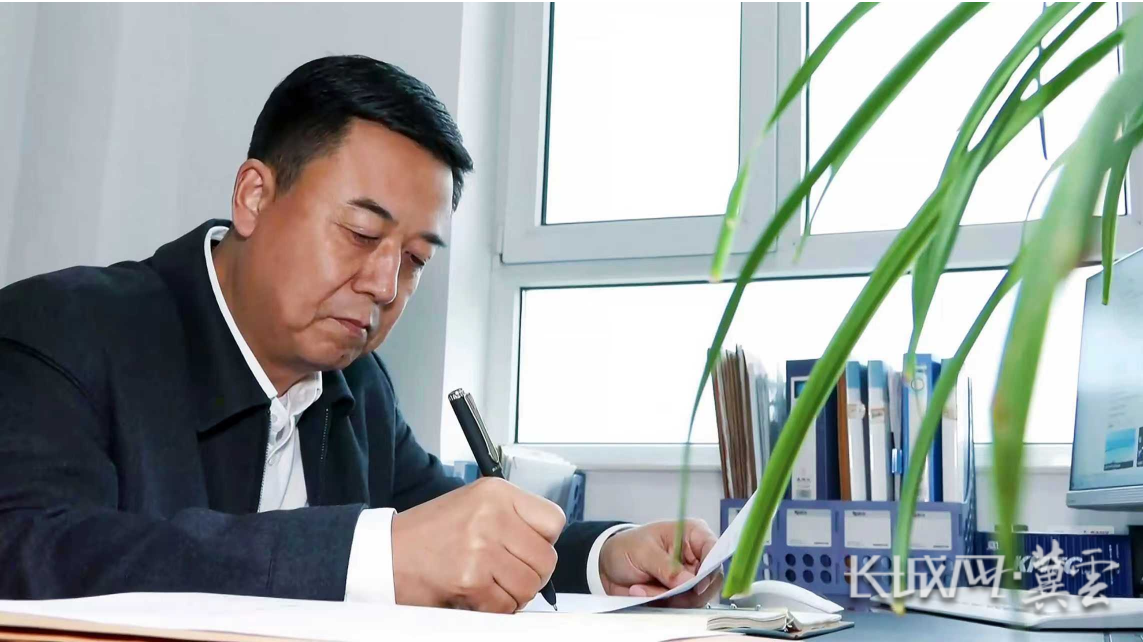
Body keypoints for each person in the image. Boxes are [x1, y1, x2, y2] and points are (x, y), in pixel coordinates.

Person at [0, 55, 721, 612]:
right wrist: (373, 557)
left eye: (415, 260)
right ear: (254, 196)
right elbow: (29, 549)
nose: (384, 285)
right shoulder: (61, 328)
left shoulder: (357, 382)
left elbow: (447, 525)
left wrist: (607, 555)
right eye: (360, 233)